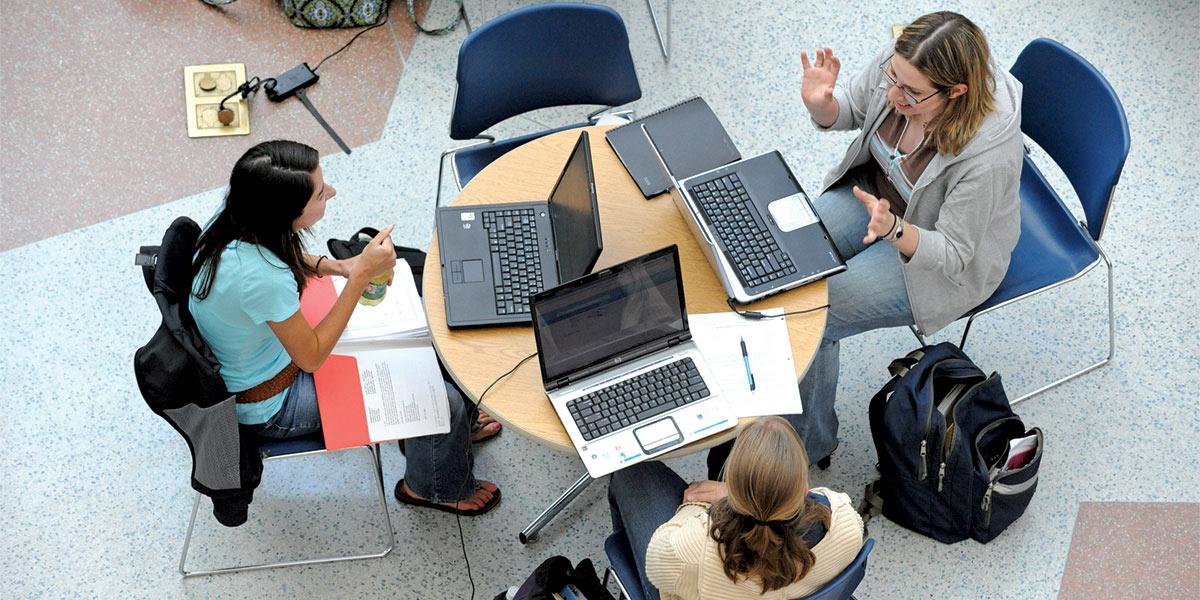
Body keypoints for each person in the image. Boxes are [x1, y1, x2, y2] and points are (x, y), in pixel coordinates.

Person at [190, 140, 501, 515]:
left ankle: (448, 436)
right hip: (273, 401)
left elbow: (277, 253)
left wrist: (337, 267)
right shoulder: (261, 278)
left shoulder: (236, 217)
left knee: (432, 346)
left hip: (267, 358)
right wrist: (360, 278)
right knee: (439, 399)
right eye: (321, 194)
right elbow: (312, 357)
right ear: (285, 213)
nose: (332, 192)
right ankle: (433, 486)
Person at [780, 11, 1023, 469]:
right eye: (892, 78)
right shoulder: (906, 65)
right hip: (875, 194)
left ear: (955, 93)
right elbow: (850, 109)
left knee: (816, 311)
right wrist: (822, 105)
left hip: (932, 257)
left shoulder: (987, 158)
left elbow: (953, 255)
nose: (893, 96)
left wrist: (894, 230)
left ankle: (803, 446)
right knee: (785, 256)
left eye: (909, 94)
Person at [608, 417, 864, 600]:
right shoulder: (844, 520)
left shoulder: (692, 547)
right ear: (802, 485)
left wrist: (697, 506)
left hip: (684, 574)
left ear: (733, 486)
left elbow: (657, 566)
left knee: (630, 472)